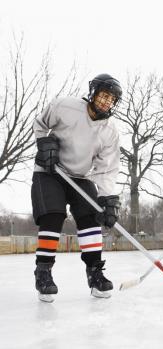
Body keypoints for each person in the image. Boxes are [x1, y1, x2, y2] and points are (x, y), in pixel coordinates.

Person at [32, 73, 122, 300]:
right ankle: (43, 271)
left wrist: (106, 198)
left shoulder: (110, 131)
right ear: (93, 93)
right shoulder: (65, 106)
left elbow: (106, 169)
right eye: (103, 96)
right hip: (50, 171)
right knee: (53, 215)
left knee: (91, 216)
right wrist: (44, 143)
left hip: (81, 177)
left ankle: (95, 274)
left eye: (111, 99)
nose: (106, 102)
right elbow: (40, 124)